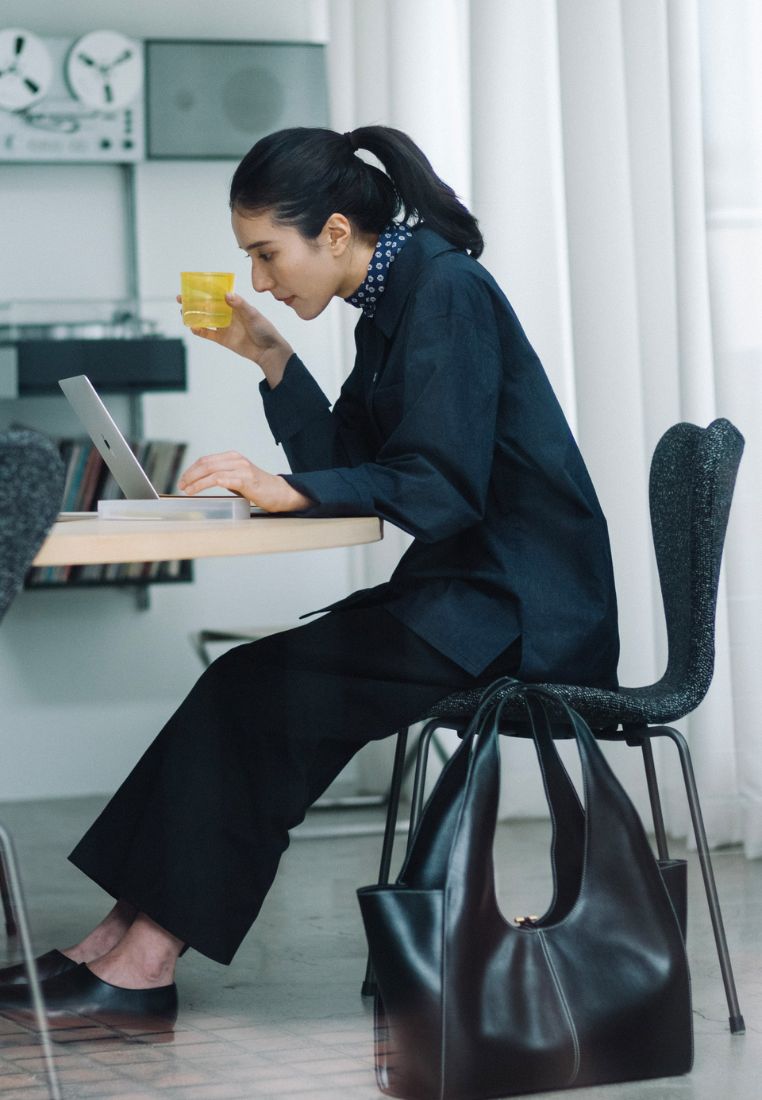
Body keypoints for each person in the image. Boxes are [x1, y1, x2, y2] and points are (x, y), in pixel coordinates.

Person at [0, 126, 619, 1026]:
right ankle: (117, 939)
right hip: (469, 593)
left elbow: (436, 488)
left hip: (519, 609)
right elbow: (363, 464)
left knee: (255, 695)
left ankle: (142, 961)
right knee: (241, 685)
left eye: (265, 253)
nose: (259, 281)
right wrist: (272, 360)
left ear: (334, 233)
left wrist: (282, 486)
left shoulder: (445, 292)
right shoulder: (398, 296)